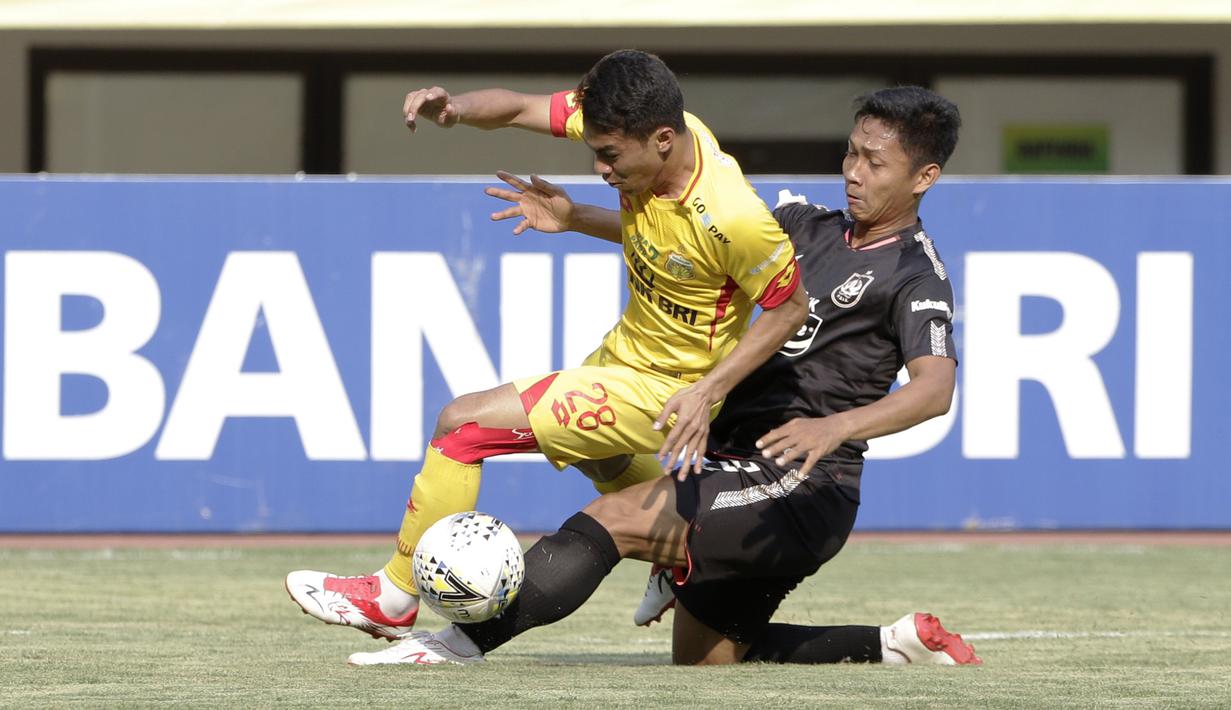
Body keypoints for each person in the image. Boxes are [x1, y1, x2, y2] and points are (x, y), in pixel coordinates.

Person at [344, 85, 982, 667]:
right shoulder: (802, 226)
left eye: (875, 162)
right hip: (728, 464)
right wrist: (575, 218)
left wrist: (833, 427)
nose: (852, 172)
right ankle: (895, 646)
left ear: (925, 176)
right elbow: (687, 246)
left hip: (800, 488)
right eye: (850, 153)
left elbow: (935, 389)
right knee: (707, 661)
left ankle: (453, 645)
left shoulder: (917, 277)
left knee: (614, 518)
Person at [285, 49, 807, 640]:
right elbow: (520, 107)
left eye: (610, 158)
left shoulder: (734, 215)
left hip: (670, 392)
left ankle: (394, 595)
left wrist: (710, 389)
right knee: (600, 454)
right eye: (595, 152)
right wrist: (454, 109)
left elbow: (790, 305)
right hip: (624, 358)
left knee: (462, 426)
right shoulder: (641, 130)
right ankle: (683, 556)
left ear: (663, 139)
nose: (602, 169)